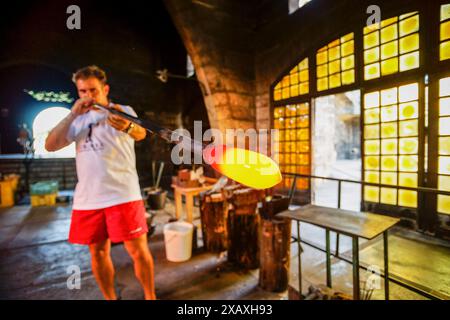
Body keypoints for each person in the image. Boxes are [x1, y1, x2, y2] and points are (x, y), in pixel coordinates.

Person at [45, 65, 155, 300]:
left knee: (137, 250)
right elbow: (50, 145)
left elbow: (141, 133)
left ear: (104, 89)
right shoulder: (75, 119)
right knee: (97, 252)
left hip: (124, 194)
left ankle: (150, 296)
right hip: (88, 199)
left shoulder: (121, 110)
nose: (88, 96)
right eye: (82, 91)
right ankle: (110, 298)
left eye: (93, 90)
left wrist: (127, 124)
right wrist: (72, 114)